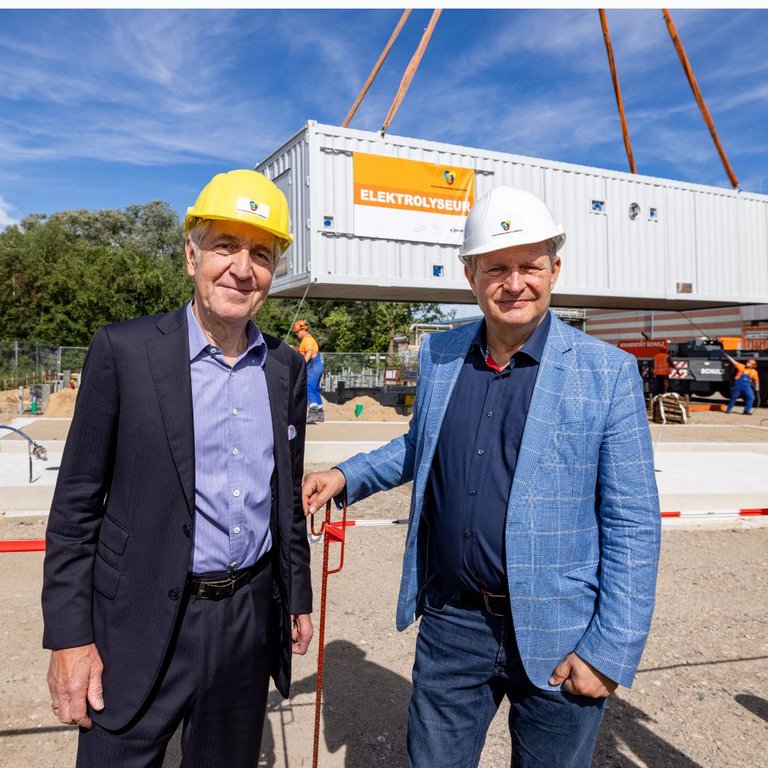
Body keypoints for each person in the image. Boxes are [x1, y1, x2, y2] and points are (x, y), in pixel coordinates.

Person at [303, 186, 661, 768]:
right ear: (471, 275)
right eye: (496, 267)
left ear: (555, 270)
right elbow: (420, 447)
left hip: (558, 628)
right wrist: (346, 475)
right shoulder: (443, 355)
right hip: (453, 625)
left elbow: (633, 525)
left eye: (530, 266)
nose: (514, 282)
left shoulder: (607, 374)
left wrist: (610, 651)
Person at [41, 169, 314, 767]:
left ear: (273, 273)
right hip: (137, 617)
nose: (243, 269)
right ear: (192, 255)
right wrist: (69, 638)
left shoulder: (285, 370)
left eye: (261, 254)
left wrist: (295, 596)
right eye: (225, 246)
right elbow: (75, 509)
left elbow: (284, 496)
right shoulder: (124, 351)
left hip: (246, 621)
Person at [293, 319, 325, 423]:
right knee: (315, 389)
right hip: (317, 364)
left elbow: (309, 352)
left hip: (313, 365)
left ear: (302, 330)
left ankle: (313, 412)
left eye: (297, 332)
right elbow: (301, 350)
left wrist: (303, 364)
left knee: (308, 387)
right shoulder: (306, 340)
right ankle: (320, 413)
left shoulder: (307, 340)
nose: (297, 334)